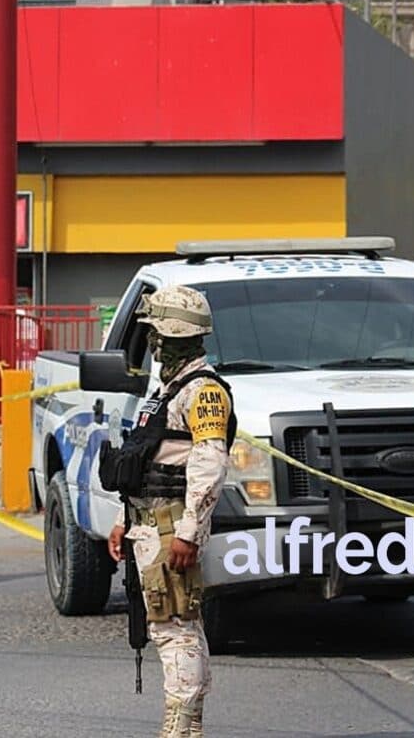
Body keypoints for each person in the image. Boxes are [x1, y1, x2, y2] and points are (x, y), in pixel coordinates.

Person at [106, 286, 233, 738]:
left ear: (172, 337)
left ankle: (180, 731)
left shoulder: (203, 392)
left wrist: (189, 533)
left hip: (170, 527)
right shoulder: (166, 391)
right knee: (173, 629)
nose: (153, 346)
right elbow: (147, 459)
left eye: (156, 336)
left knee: (176, 630)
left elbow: (209, 463)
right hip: (149, 524)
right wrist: (124, 521)